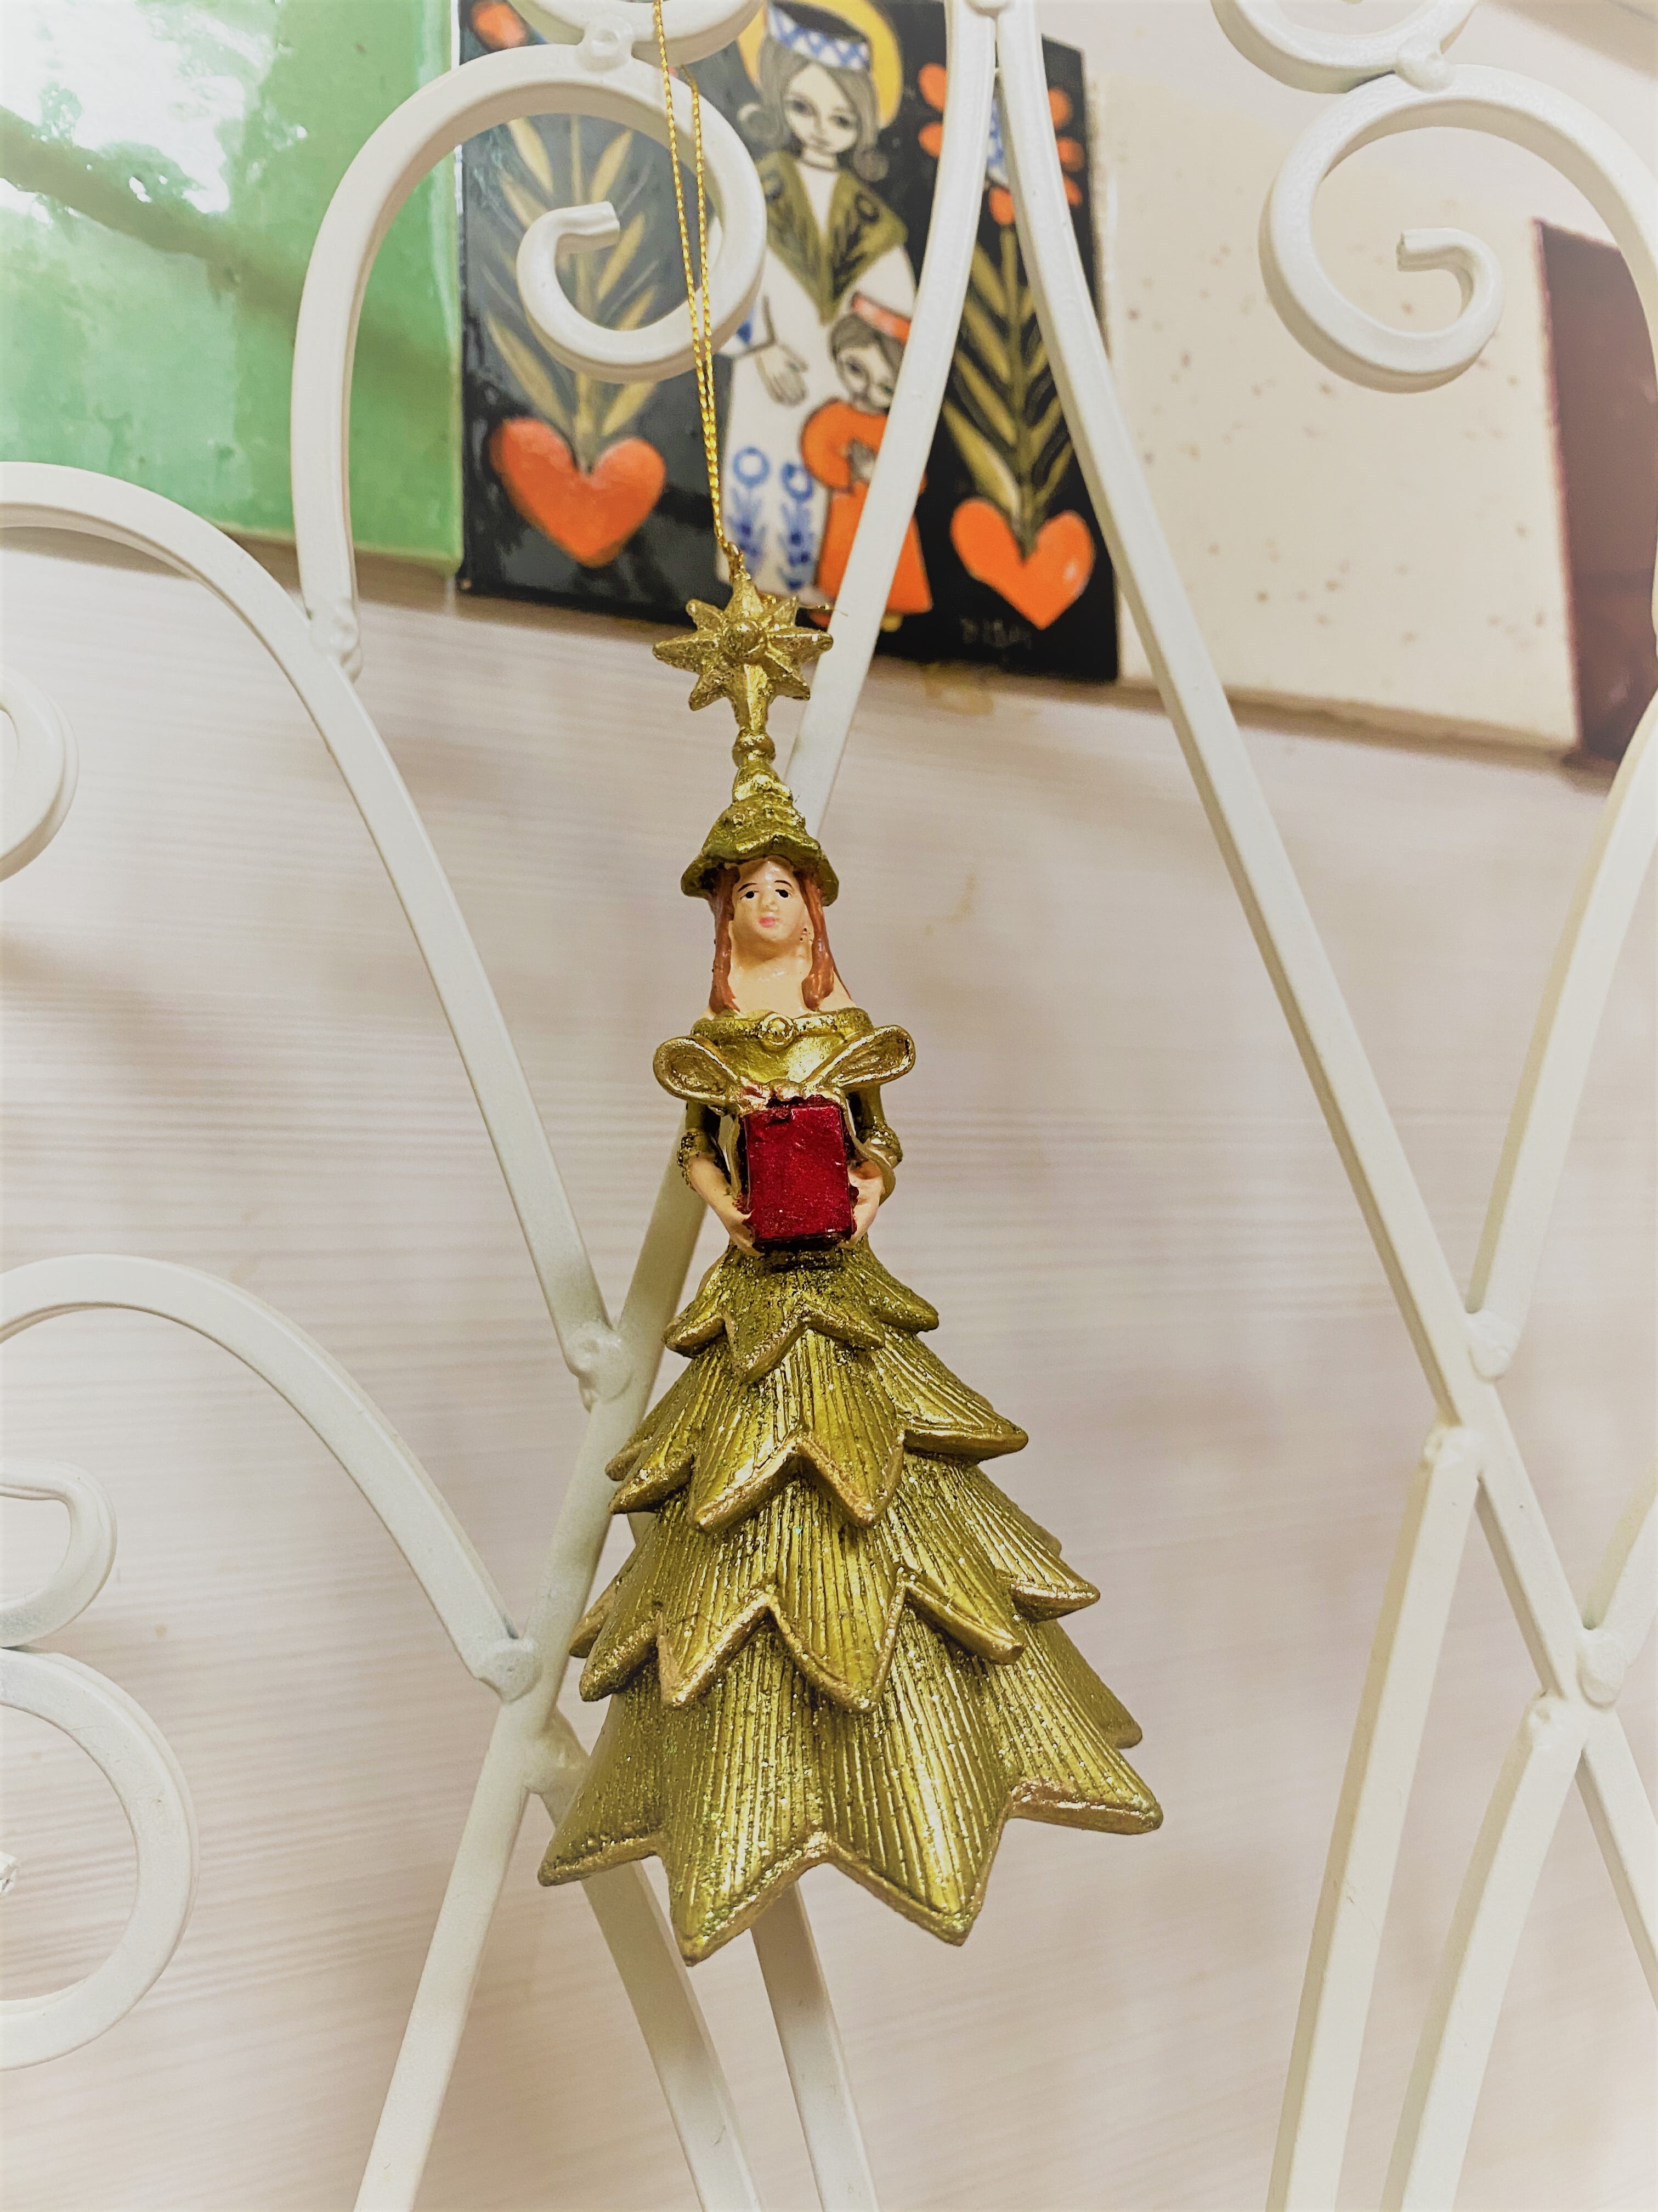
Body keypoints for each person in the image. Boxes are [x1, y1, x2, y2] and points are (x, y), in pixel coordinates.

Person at [539, 733, 1160, 1962]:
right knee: (742, 1483)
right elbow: (697, 1150)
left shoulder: (846, 1030)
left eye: (783, 888)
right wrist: (731, 1210)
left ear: (811, 910)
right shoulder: (716, 1040)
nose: (766, 906)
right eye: (747, 892)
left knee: (878, 1478)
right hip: (759, 1283)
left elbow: (881, 1141)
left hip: (838, 1274)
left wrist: (866, 1193)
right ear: (725, 917)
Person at [720, 2, 918, 601]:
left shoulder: (874, 219)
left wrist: (876, 362)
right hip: (769, 370)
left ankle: (824, 588)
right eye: (804, 108)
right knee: (763, 479)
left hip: (843, 378)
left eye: (841, 118)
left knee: (830, 481)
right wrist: (758, 346)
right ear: (779, 98)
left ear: (863, 123)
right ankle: (756, 590)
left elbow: (899, 306)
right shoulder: (752, 187)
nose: (821, 129)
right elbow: (723, 267)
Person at [801, 294, 931, 617]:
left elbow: (917, 479)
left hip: (890, 520)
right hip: (846, 512)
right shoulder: (834, 416)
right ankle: (834, 605)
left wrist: (879, 475)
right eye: (856, 369)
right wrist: (849, 472)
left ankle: (891, 611)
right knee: (841, 563)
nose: (865, 389)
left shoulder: (897, 429)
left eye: (886, 388)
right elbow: (816, 448)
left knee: (890, 566)